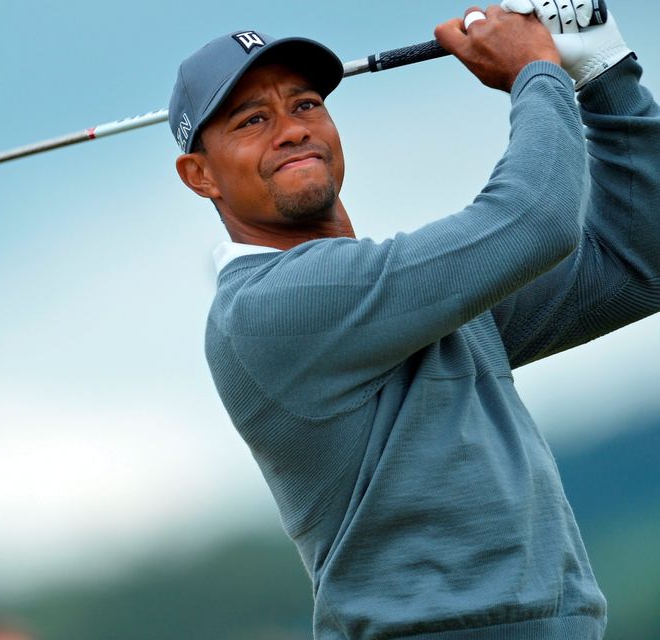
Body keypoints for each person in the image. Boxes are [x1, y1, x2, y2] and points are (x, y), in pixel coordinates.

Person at [170, 3, 659, 639]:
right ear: (200, 174)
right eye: (253, 119)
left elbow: (636, 261)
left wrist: (606, 75)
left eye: (306, 104)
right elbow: (535, 219)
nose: (291, 129)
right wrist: (538, 71)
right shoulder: (272, 306)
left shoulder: (403, 295)